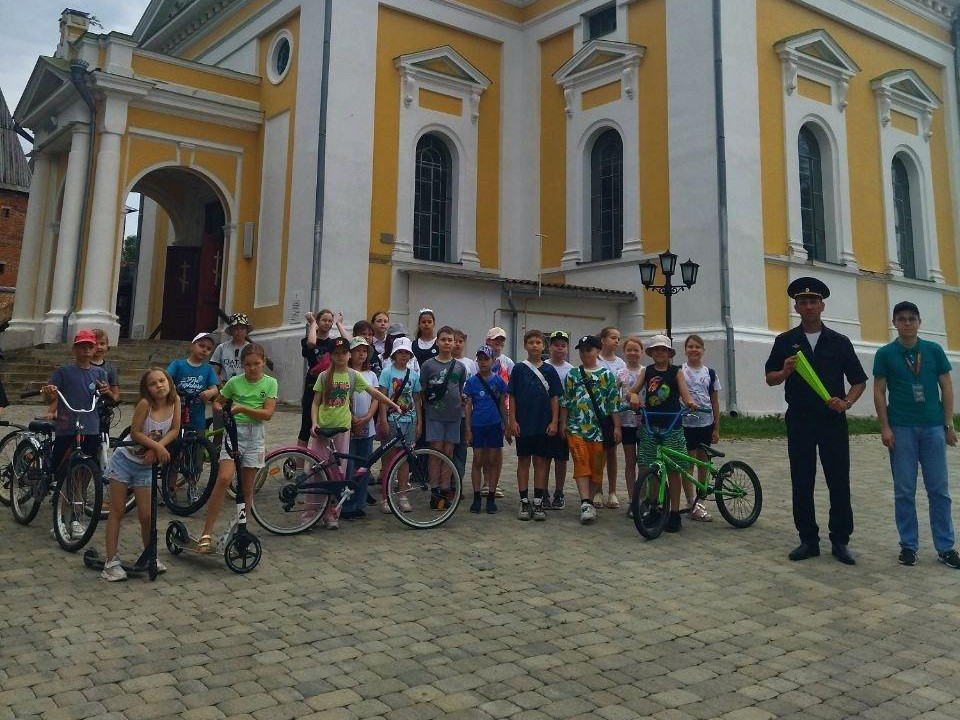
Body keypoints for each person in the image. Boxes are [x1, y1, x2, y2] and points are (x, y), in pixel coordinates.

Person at [765, 277, 867, 565]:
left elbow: (859, 381)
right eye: (803, 302)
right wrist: (784, 372)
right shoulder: (785, 341)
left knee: (838, 480)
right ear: (796, 307)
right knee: (802, 479)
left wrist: (846, 402)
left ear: (822, 305)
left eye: (813, 301)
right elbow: (770, 378)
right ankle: (808, 539)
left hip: (832, 420)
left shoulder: (839, 342)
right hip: (800, 419)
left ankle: (840, 540)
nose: (808, 306)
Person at [873, 301, 960, 569]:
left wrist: (948, 424)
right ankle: (908, 546)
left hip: (933, 427)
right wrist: (885, 427)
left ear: (919, 322)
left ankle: (946, 547)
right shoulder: (886, 354)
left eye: (912, 318)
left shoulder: (933, 351)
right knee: (904, 490)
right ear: (895, 323)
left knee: (939, 490)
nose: (907, 323)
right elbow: (878, 391)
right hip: (901, 428)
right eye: (902, 319)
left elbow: (946, 387)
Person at [100, 368, 180, 581]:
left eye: (162, 381)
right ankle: (111, 561)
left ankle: (149, 555)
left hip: (146, 465)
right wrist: (156, 447)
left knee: (147, 515)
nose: (159, 386)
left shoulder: (175, 401)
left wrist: (157, 448)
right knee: (117, 510)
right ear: (147, 389)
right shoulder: (145, 404)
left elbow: (174, 429)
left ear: (169, 382)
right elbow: (134, 432)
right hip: (125, 460)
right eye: (153, 383)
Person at [311, 337, 400, 528]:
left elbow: (373, 393)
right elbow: (316, 402)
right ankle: (310, 513)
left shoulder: (352, 375)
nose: (341, 357)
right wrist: (313, 423)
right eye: (337, 354)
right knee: (318, 471)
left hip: (344, 428)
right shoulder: (324, 376)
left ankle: (332, 513)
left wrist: (392, 404)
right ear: (331, 356)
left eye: (344, 353)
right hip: (324, 428)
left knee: (339, 474)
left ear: (348, 355)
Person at [197, 343, 277, 552]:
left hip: (255, 435)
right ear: (242, 365)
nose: (252, 368)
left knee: (247, 487)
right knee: (224, 479)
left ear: (263, 362)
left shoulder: (270, 383)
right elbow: (218, 401)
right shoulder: (234, 382)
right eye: (248, 364)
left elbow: (267, 414)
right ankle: (206, 532)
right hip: (234, 432)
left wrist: (242, 408)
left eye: (257, 364)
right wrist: (222, 410)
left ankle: (238, 530)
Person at [628, 334, 697, 533]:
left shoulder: (676, 372)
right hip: (651, 425)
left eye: (663, 350)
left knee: (674, 470)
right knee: (651, 468)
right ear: (651, 353)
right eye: (656, 349)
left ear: (669, 353)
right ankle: (656, 507)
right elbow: (633, 391)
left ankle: (674, 512)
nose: (660, 353)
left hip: (672, 425)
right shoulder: (646, 371)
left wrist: (690, 402)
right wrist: (633, 397)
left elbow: (685, 393)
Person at [559, 335, 622, 525]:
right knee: (581, 464)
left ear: (597, 351)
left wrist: (617, 426)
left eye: (589, 349)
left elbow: (613, 403)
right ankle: (585, 502)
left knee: (596, 468)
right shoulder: (573, 375)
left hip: (599, 430)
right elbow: (566, 401)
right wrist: (563, 422)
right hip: (576, 428)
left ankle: (591, 500)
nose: (585, 353)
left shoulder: (606, 375)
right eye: (582, 350)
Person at [508, 329, 562, 522]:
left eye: (538, 342)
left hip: (543, 424)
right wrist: (512, 420)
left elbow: (555, 397)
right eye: (530, 342)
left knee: (540, 462)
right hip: (524, 424)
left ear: (543, 346)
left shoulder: (549, 370)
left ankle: (538, 501)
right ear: (525, 345)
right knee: (523, 462)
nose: (534, 346)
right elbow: (512, 395)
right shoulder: (519, 369)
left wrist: (554, 421)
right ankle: (524, 500)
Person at [41, 330, 110, 475]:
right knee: (57, 463)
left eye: (90, 347)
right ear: (74, 349)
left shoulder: (100, 373)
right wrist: (50, 394)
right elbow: (51, 398)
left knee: (88, 462)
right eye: (82, 347)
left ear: (95, 349)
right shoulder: (63, 372)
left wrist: (105, 390)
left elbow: (107, 395)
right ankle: (49, 478)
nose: (86, 351)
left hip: (90, 425)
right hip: (67, 424)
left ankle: (78, 491)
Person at [420, 326, 468, 509]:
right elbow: (423, 391)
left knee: (449, 453)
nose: (447, 343)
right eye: (444, 339)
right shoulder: (428, 365)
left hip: (454, 416)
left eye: (451, 340)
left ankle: (445, 489)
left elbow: (461, 388)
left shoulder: (460, 367)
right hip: (434, 416)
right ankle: (434, 490)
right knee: (435, 452)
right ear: (437, 342)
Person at [377, 337, 422, 514]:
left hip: (409, 421)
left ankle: (402, 495)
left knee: (405, 459)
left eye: (406, 353)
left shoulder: (414, 375)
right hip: (391, 420)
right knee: (389, 459)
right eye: (400, 352)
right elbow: (381, 398)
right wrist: (382, 419)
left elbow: (417, 399)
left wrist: (419, 422)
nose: (403, 355)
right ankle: (385, 496)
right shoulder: (387, 373)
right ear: (394, 355)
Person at [464, 345, 508, 514]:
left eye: (486, 359)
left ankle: (490, 495)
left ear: (493, 361)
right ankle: (476, 497)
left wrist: (507, 425)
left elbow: (503, 404)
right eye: (480, 359)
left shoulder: (498, 381)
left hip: (495, 425)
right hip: (478, 425)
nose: (482, 362)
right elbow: (468, 406)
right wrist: (468, 428)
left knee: (493, 460)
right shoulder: (472, 382)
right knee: (477, 459)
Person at [680, 334, 720, 522]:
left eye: (698, 347)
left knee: (704, 463)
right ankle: (690, 501)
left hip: (705, 422)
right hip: (686, 423)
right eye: (690, 346)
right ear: (685, 350)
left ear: (703, 350)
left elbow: (714, 401)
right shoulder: (680, 371)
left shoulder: (710, 373)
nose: (694, 350)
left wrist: (716, 427)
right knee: (688, 463)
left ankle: (701, 499)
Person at [342, 337, 380, 521]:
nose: (361, 354)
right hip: (349, 424)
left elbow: (375, 398)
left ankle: (360, 502)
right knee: (348, 467)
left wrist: (367, 417)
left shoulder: (371, 375)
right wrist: (353, 418)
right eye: (357, 351)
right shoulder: (346, 373)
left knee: (363, 466)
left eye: (364, 351)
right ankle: (346, 504)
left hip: (367, 425)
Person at [298, 309, 339, 448]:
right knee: (306, 426)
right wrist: (313, 323)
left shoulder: (333, 343)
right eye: (324, 320)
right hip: (312, 385)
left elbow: (349, 343)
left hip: (329, 386)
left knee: (325, 425)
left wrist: (339, 324)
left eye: (330, 321)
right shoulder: (307, 339)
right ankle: (298, 464)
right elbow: (311, 343)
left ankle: (321, 460)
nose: (327, 323)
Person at [596, 327, 626, 509]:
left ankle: (612, 491)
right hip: (597, 412)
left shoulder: (621, 363)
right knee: (599, 453)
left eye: (618, 338)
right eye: (613, 338)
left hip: (614, 412)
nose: (616, 341)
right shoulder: (596, 359)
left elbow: (621, 388)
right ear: (603, 340)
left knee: (612, 453)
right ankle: (597, 490)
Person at [167, 332, 220, 432]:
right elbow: (167, 378)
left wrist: (210, 392)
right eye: (201, 346)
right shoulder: (177, 364)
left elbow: (215, 389)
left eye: (208, 349)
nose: (204, 350)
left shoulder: (208, 369)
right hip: (176, 411)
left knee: (197, 441)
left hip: (197, 415)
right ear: (192, 346)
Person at [545, 330, 574, 509]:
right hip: (544, 416)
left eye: (563, 345)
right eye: (556, 345)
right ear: (550, 347)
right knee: (544, 457)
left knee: (561, 459)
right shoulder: (544, 366)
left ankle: (559, 491)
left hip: (564, 418)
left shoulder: (570, 370)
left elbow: (570, 398)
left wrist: (564, 422)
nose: (560, 349)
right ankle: (544, 491)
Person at [617, 336, 644, 514]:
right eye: (629, 350)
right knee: (629, 462)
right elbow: (615, 396)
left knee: (644, 461)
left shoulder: (646, 371)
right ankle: (632, 499)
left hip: (643, 422)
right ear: (624, 352)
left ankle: (643, 498)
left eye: (636, 350)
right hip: (626, 422)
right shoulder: (619, 373)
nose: (633, 353)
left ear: (641, 352)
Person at [451, 328, 476, 483]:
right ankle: (446, 482)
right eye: (455, 341)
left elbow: (473, 385)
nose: (458, 344)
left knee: (461, 449)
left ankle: (458, 481)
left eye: (461, 341)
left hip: (465, 413)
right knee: (448, 449)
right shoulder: (447, 361)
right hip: (448, 411)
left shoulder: (470, 364)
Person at [211, 313, 252, 384]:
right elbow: (214, 371)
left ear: (246, 331)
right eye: (236, 328)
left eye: (242, 328)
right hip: (224, 385)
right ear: (231, 331)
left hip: (244, 386)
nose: (239, 331)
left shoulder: (251, 349)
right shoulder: (221, 348)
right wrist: (219, 384)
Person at [91, 329, 121, 405]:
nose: (99, 347)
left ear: (107, 346)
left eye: (102, 344)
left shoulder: (111, 368)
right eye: (95, 343)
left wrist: (107, 391)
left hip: (103, 408)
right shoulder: (83, 365)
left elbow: (116, 397)